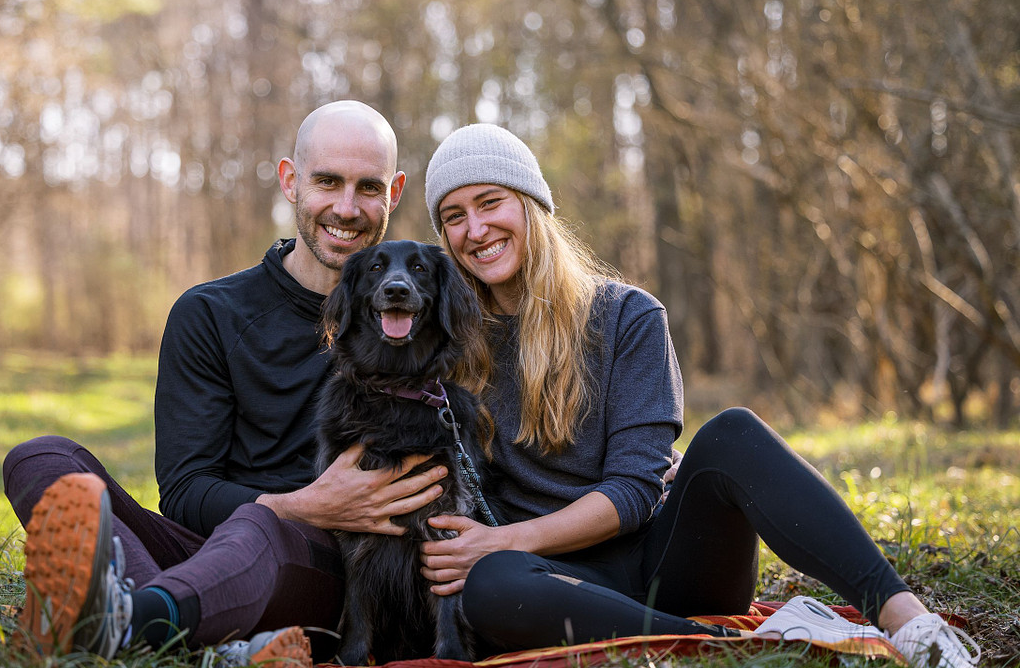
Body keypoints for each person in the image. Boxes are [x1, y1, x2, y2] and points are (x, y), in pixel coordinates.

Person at [417, 123, 981, 668]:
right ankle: (731, 643)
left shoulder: (624, 316)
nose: (475, 229)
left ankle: (908, 620)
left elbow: (635, 490)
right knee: (489, 584)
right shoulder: (443, 346)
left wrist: (510, 538)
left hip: (673, 561)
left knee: (732, 432)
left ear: (531, 207)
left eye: (490, 203)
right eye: (454, 217)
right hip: (558, 587)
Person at [2, 100, 450, 663]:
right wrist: (305, 503)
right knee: (39, 457)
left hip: (339, 572)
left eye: (367, 187)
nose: (346, 207)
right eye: (327, 182)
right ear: (290, 182)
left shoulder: (419, 320)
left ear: (395, 192)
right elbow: (187, 491)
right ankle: (168, 621)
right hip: (215, 547)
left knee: (264, 530)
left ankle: (132, 622)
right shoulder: (210, 313)